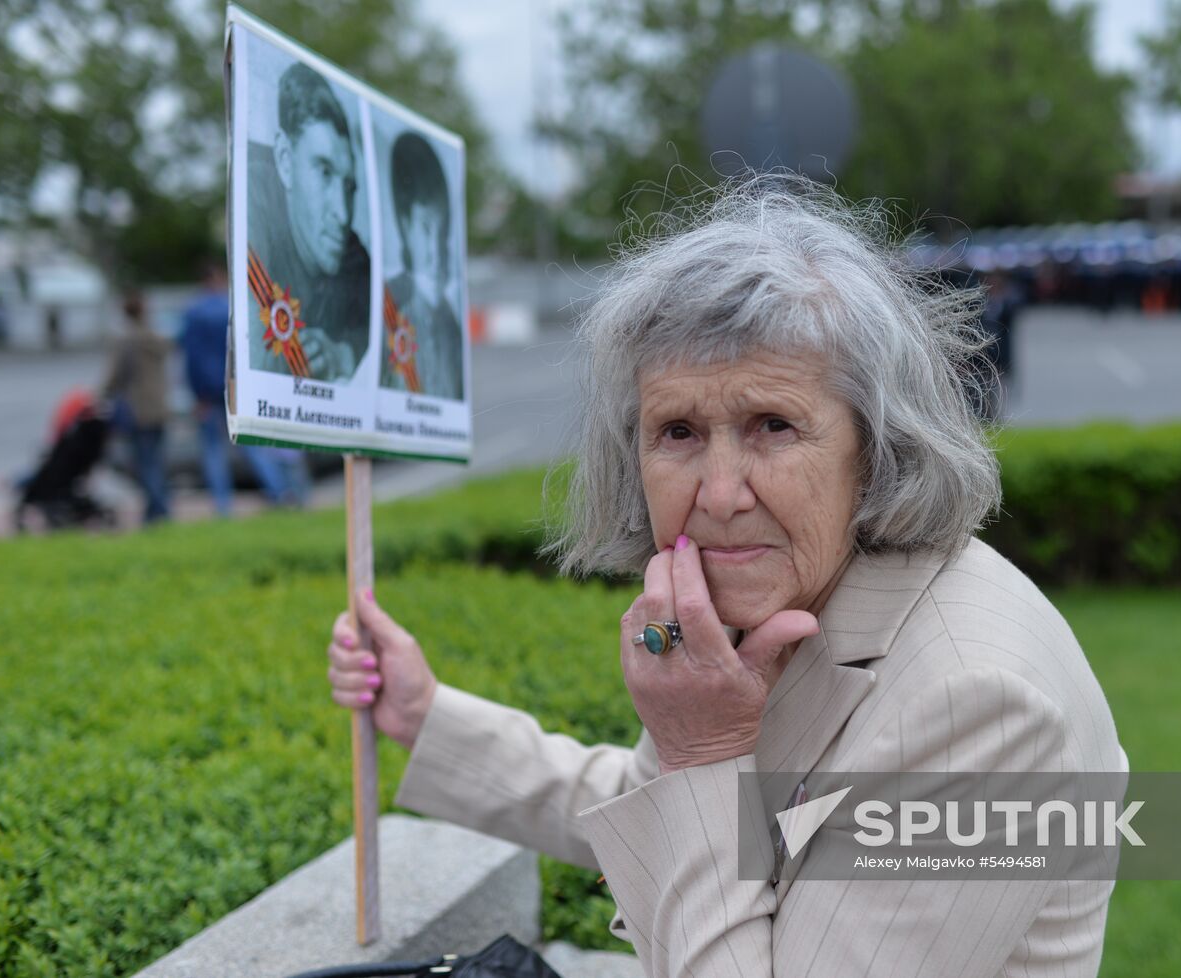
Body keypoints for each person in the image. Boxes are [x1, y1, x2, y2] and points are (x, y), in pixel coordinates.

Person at [324, 180, 1127, 977]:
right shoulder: (799, 595)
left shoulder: (976, 708)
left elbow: (699, 789)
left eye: (772, 427)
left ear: (877, 446)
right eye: (677, 431)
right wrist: (428, 716)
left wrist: (707, 751)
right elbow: (664, 800)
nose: (717, 493)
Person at [248, 61, 370, 383]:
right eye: (324, 173)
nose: (343, 215)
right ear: (285, 162)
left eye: (348, 187)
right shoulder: (252, 206)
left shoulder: (354, 256)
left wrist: (342, 354)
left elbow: (371, 334)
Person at [179, 261, 294, 515]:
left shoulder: (194, 313)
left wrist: (197, 393)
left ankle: (223, 505)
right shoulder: (234, 307)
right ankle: (277, 492)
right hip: (236, 387)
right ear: (218, 278)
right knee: (250, 444)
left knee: (213, 450)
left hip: (208, 391)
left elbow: (192, 358)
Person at [380, 131, 464, 400]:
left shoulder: (450, 319)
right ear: (404, 226)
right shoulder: (388, 305)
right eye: (426, 228)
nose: (436, 249)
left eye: (444, 230)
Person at [102, 289, 171, 524]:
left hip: (138, 409)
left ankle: (156, 511)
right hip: (160, 407)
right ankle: (160, 507)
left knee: (144, 463)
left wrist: (99, 396)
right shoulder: (157, 338)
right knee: (157, 461)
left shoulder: (127, 341)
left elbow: (114, 377)